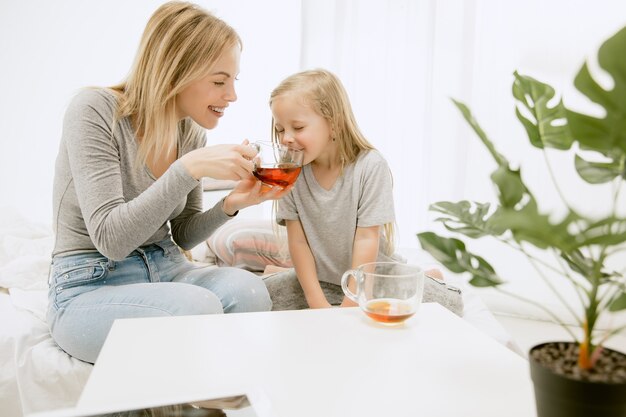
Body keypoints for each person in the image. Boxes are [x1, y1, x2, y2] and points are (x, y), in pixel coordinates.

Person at [47, 1, 289, 363]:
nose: (232, 96)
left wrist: (230, 205)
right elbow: (111, 240)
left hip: (165, 267)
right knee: (196, 309)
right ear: (176, 70)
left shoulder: (190, 133)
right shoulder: (94, 111)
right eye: (219, 81)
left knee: (249, 291)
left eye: (233, 81)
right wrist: (186, 170)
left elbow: (183, 234)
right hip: (89, 282)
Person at [263, 69, 464, 315]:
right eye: (281, 129)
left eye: (298, 127)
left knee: (449, 305)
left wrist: (350, 305)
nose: (286, 139)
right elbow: (298, 242)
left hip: (371, 277)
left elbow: (366, 239)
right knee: (261, 297)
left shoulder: (370, 166)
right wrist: (317, 304)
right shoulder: (290, 172)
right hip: (321, 279)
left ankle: (426, 276)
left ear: (334, 124)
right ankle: (284, 276)